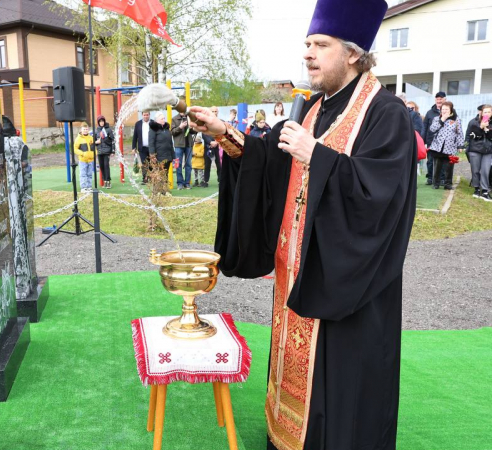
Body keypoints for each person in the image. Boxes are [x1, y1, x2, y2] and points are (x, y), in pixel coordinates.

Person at [190, 0, 414, 448]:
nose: (308, 53)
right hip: (296, 277)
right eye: (307, 44)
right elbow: (269, 161)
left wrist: (318, 156)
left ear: (353, 53)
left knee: (341, 389)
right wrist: (222, 131)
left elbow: (381, 196)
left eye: (321, 44)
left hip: (347, 285)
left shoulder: (384, 113)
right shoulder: (311, 109)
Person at [465, 104, 492, 202]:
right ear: (481, 113)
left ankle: (485, 191)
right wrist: (480, 128)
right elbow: (471, 136)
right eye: (485, 112)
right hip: (475, 149)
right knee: (475, 170)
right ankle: (476, 188)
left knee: (485, 170)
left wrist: (487, 130)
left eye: (489, 112)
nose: (487, 114)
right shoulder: (473, 122)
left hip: (488, 150)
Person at [428, 101, 464, 190]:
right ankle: (436, 183)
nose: (444, 111)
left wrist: (460, 146)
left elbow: (459, 133)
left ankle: (448, 184)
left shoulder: (456, 120)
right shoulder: (436, 118)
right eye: (443, 109)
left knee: (449, 167)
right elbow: (432, 129)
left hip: (450, 146)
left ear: (451, 110)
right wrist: (442, 119)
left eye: (446, 109)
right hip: (438, 146)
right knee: (437, 166)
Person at [423, 92, 447, 185]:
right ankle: (430, 177)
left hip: (444, 141)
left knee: (443, 160)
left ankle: (441, 178)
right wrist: (423, 140)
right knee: (430, 160)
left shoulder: (449, 112)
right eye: (437, 99)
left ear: (445, 99)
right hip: (431, 140)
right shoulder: (429, 113)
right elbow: (425, 127)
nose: (439, 101)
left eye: (441, 99)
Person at [148, 112, 175, 190]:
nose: (163, 120)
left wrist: (173, 156)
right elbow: (151, 143)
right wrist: (152, 155)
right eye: (161, 119)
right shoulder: (153, 130)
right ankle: (157, 190)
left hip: (167, 156)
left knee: (165, 174)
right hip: (158, 156)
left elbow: (170, 143)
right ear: (157, 120)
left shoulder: (167, 130)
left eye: (164, 118)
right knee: (158, 174)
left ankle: (164, 190)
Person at [172, 111, 192, 189]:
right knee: (177, 164)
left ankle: (187, 183)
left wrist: (193, 127)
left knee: (189, 165)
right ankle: (179, 183)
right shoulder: (174, 119)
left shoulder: (189, 118)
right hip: (178, 145)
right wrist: (180, 127)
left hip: (189, 145)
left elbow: (194, 132)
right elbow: (172, 132)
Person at [73, 123, 95, 191]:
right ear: (81, 130)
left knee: (89, 174)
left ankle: (89, 187)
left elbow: (94, 148)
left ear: (88, 130)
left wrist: (95, 153)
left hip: (90, 160)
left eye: (86, 129)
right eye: (84, 129)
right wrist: (82, 153)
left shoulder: (91, 138)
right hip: (83, 160)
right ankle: (83, 187)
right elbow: (75, 149)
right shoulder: (78, 139)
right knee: (83, 174)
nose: (85, 130)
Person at [203, 106, 222, 185]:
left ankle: (220, 181)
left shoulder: (220, 122)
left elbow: (222, 133)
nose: (214, 113)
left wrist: (216, 142)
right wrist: (210, 142)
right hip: (208, 147)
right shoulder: (205, 122)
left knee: (219, 164)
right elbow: (204, 134)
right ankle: (205, 181)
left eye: (215, 111)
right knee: (207, 165)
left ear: (218, 112)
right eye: (212, 111)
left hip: (218, 147)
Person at [132, 111, 152, 183]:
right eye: (144, 115)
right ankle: (145, 178)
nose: (146, 116)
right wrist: (133, 147)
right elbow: (135, 136)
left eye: (147, 115)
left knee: (151, 163)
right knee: (144, 163)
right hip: (142, 147)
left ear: (149, 115)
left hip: (151, 147)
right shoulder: (138, 124)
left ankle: (151, 177)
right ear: (142, 115)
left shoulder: (153, 123)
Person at [95, 115, 115, 189]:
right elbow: (93, 141)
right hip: (100, 151)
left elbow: (113, 140)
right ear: (98, 122)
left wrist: (113, 151)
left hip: (107, 151)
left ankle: (108, 181)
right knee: (101, 166)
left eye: (102, 121)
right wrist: (96, 142)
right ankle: (105, 180)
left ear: (104, 121)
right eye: (100, 121)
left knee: (106, 165)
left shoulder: (108, 129)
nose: (101, 123)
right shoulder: (96, 130)